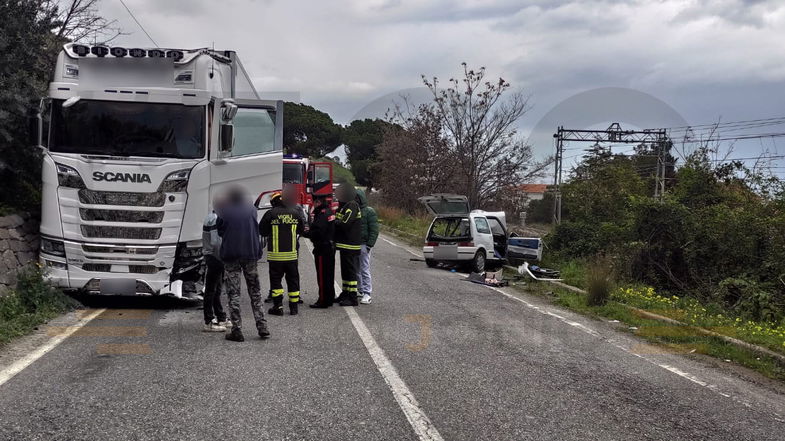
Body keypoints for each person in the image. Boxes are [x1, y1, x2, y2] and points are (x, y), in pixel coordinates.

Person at [216, 186, 270, 341]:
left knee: (234, 293)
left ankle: (237, 330)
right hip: (251, 254)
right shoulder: (251, 209)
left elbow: (220, 230)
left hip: (231, 255)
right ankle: (262, 326)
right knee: (255, 292)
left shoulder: (224, 211)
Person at [259, 190, 303, 316]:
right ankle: (294, 308)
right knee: (293, 280)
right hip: (292, 255)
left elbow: (262, 231)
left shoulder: (270, 213)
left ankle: (278, 307)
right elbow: (301, 229)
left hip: (276, 256)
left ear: (273, 202)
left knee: (276, 282)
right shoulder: (295, 213)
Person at [201, 195, 230, 332]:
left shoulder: (212, 216)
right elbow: (215, 242)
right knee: (211, 290)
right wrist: (223, 258)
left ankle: (221, 317)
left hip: (214, 256)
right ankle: (208, 321)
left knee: (216, 289)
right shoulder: (215, 219)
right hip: (214, 257)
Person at [334, 183, 362, 307]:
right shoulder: (345, 205)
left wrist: (335, 222)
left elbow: (346, 222)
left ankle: (352, 297)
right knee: (345, 272)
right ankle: (345, 293)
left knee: (350, 272)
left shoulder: (352, 205)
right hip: (345, 244)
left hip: (350, 245)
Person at [306, 193, 336, 308]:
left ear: (318, 202)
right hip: (329, 247)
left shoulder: (322, 214)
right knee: (329, 275)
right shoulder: (329, 211)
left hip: (322, 249)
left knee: (323, 276)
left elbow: (318, 232)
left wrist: (307, 233)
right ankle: (330, 297)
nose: (313, 204)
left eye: (314, 202)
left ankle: (323, 300)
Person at [355, 188, 379, 305]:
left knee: (364, 269)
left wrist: (369, 245)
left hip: (364, 245)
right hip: (354, 245)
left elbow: (374, 230)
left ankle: (367, 293)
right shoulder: (354, 210)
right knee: (356, 269)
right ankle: (360, 289)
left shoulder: (369, 212)